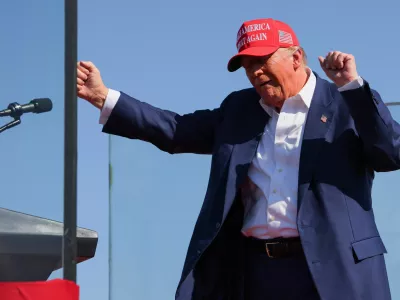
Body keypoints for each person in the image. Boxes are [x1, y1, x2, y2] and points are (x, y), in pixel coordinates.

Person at [77, 18, 399, 300]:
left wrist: (352, 88)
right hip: (256, 272)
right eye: (246, 65)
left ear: (296, 57)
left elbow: (391, 153)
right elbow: (176, 130)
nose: (255, 71)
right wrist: (103, 97)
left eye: (262, 59)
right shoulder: (238, 110)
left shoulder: (345, 104)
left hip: (335, 270)